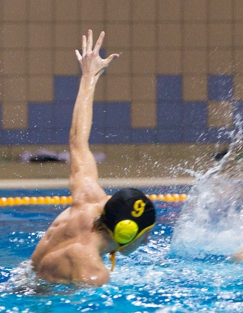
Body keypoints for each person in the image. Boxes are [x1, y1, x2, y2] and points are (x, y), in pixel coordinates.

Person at [31, 30, 156, 286]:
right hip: (31, 301)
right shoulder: (91, 271)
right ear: (126, 232)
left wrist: (89, 76)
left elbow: (77, 140)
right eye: (144, 235)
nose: (146, 242)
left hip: (22, 280)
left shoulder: (88, 200)